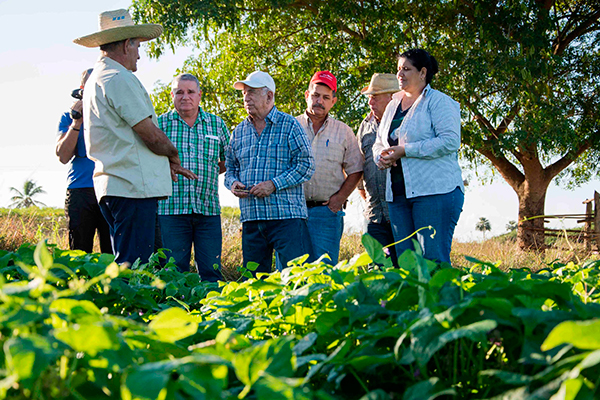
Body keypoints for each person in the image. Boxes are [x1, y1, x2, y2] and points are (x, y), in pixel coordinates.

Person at [74, 9, 197, 265]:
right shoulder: (117, 77)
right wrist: (173, 154)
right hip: (131, 189)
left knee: (139, 263)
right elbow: (150, 134)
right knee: (136, 267)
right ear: (127, 44)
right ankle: (131, 307)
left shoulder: (99, 76)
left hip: (118, 185)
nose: (140, 53)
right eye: (138, 46)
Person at [374, 49, 464, 264]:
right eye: (398, 69)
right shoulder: (393, 105)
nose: (400, 75)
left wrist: (406, 150)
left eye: (406, 69)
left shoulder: (439, 102)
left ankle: (442, 299)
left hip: (435, 193)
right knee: (407, 263)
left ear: (423, 72)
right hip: (397, 195)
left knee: (432, 261)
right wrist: (381, 156)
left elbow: (450, 141)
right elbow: (379, 141)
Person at [225, 71, 315, 276]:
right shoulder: (238, 131)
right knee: (255, 283)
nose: (246, 97)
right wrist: (232, 184)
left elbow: (306, 165)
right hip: (251, 219)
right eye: (245, 93)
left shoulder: (290, 125)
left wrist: (274, 184)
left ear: (269, 96)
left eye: (252, 92)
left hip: (287, 218)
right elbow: (231, 169)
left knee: (300, 278)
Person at [157, 73, 229, 281]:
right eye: (179, 92)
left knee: (211, 271)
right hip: (170, 210)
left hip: (207, 210)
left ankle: (208, 312)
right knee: (172, 272)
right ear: (172, 95)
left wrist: (207, 172)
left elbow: (227, 160)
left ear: (199, 96)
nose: (185, 96)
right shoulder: (160, 124)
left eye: (190, 92)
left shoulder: (216, 124)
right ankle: (175, 312)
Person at [297, 71, 363, 265]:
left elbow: (356, 169)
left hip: (326, 213)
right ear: (307, 95)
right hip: (292, 212)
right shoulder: (291, 126)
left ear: (333, 101)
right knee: (289, 272)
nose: (320, 101)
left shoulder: (344, 131)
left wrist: (339, 199)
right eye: (316, 95)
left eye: (326, 97)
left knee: (324, 273)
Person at [55, 68, 112, 255]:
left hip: (110, 188)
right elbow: (63, 156)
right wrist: (76, 122)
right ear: (81, 89)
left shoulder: (115, 115)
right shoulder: (68, 117)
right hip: (80, 189)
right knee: (79, 251)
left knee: (112, 252)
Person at [356, 73, 400, 266]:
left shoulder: (404, 123)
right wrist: (368, 201)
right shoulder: (364, 126)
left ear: (392, 97)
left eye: (375, 96)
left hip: (401, 213)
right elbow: (359, 166)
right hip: (374, 216)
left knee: (405, 273)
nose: (370, 101)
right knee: (377, 273)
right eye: (369, 97)